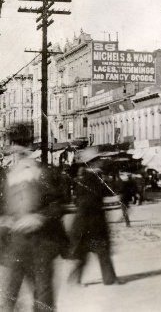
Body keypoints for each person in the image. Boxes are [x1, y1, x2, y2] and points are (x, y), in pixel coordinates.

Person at [0, 122, 68, 311]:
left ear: (29, 149)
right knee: (8, 297)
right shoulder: (7, 178)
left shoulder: (44, 174)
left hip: (41, 245)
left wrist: (39, 217)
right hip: (15, 246)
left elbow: (58, 206)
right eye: (13, 150)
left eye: (22, 151)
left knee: (43, 297)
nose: (17, 156)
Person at [68, 163, 121, 286]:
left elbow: (78, 201)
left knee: (84, 255)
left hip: (83, 224)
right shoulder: (94, 182)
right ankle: (109, 280)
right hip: (93, 224)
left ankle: (75, 280)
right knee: (102, 252)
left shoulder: (82, 183)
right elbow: (108, 192)